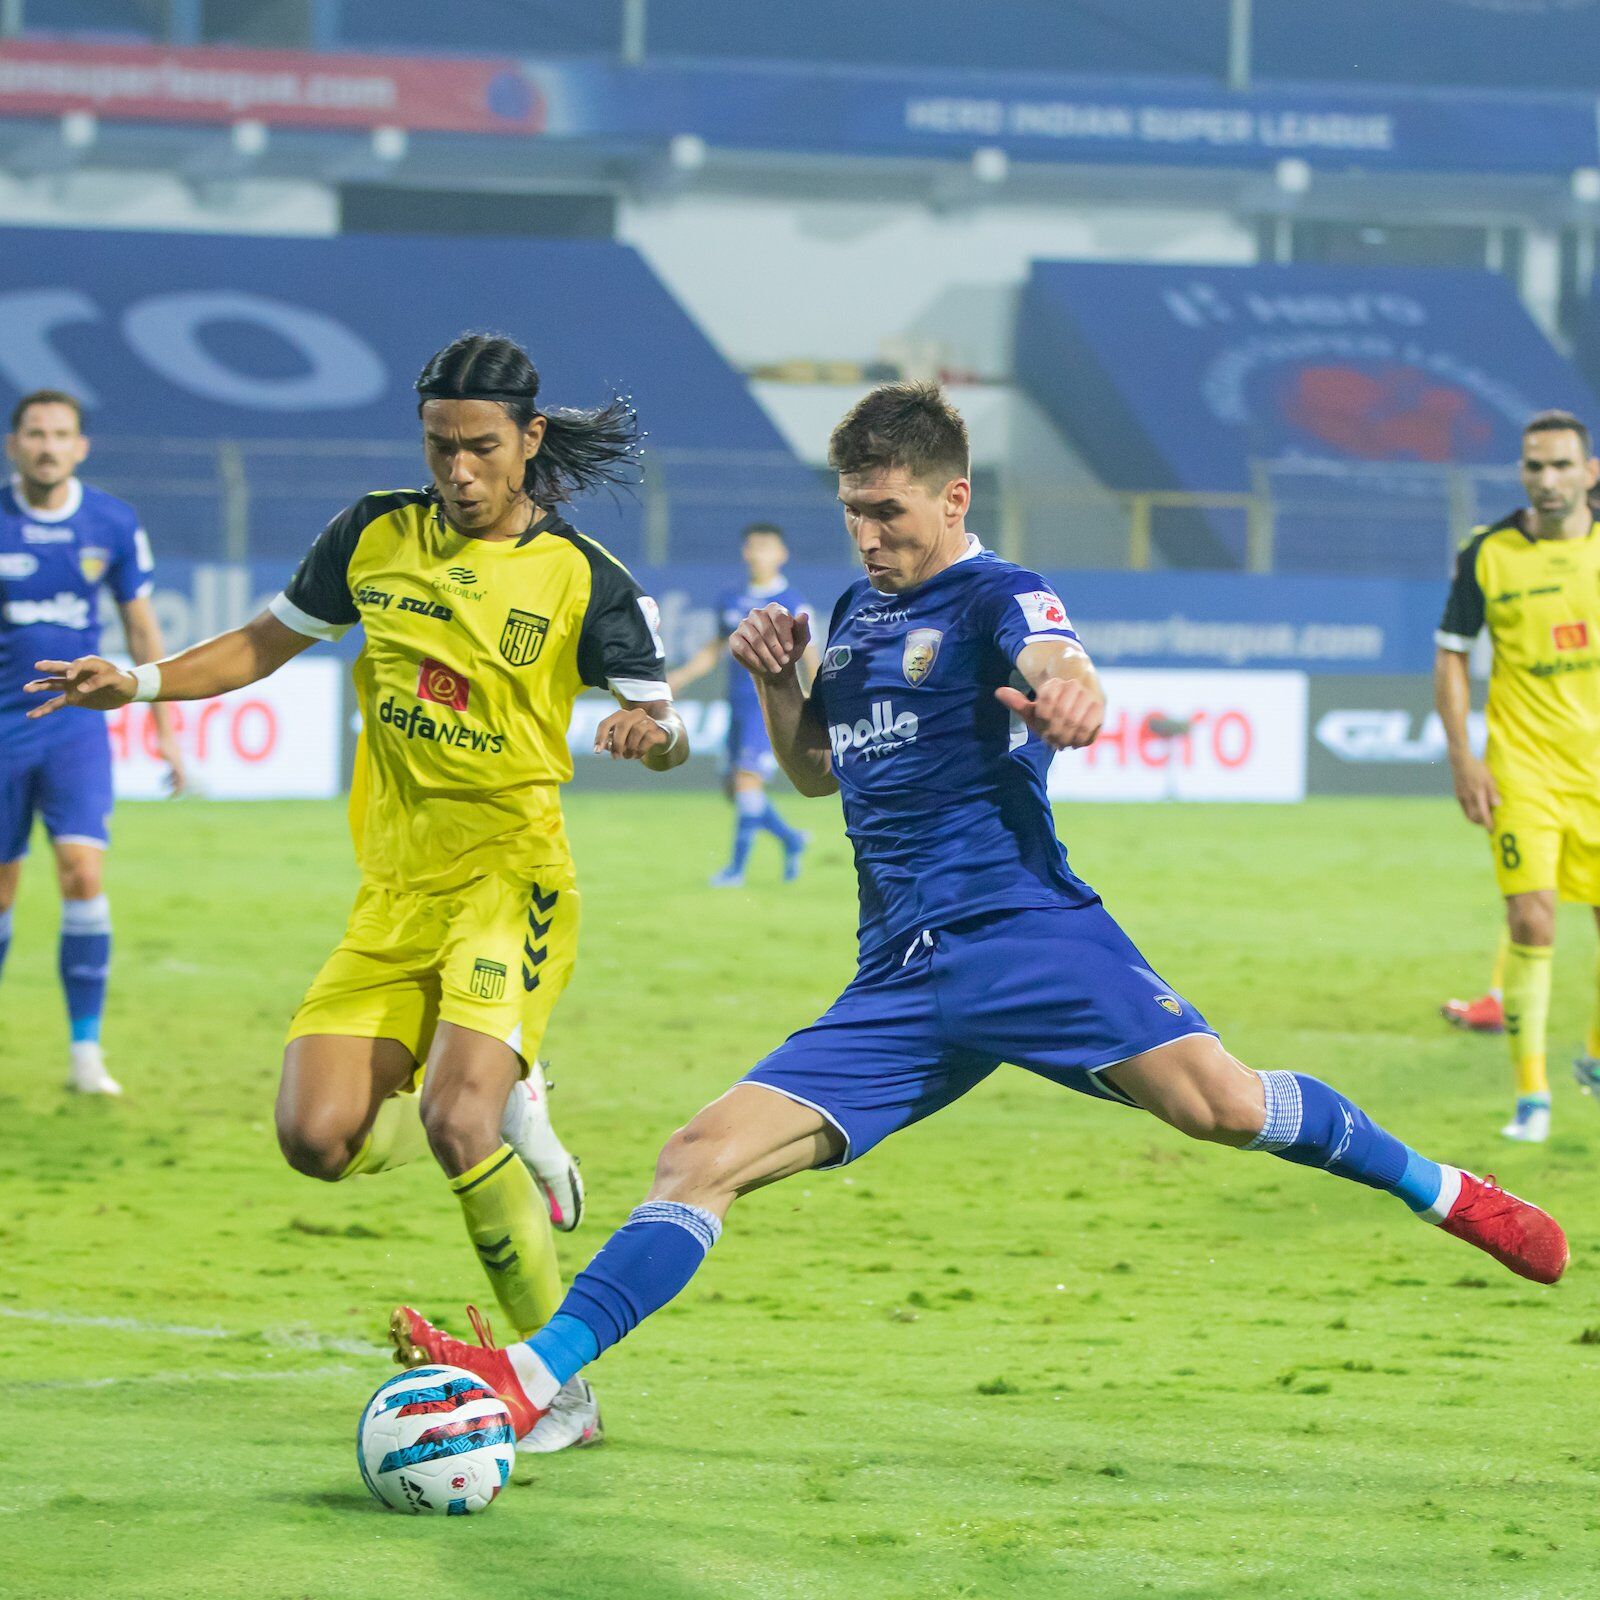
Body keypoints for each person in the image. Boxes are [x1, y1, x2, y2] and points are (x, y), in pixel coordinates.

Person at [389, 382, 1567, 1437]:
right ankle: (532, 1380)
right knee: (696, 1156)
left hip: (1024, 938)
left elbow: (1061, 665)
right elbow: (817, 773)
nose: (867, 535)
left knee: (1222, 1106)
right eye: (852, 512)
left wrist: (1072, 699)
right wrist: (779, 682)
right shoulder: (855, 613)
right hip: (898, 979)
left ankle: (1444, 1189)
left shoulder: (1002, 593)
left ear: (953, 497)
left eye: (888, 511)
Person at [26, 333, 689, 1451]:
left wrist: (649, 733)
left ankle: (557, 1391)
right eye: (440, 447)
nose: (459, 472)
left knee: (453, 1115)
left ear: (530, 439)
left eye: (482, 449)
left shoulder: (585, 579)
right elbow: (261, 644)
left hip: (510, 880)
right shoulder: (373, 535)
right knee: (316, 1137)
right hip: (393, 894)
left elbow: (667, 730)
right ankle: (509, 1099)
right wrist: (134, 682)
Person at [0, 389, 184, 1094]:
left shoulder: (112, 522)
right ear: (14, 445)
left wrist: (165, 730)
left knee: (82, 873)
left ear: (80, 447)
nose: (47, 446)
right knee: (3, 891)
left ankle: (85, 1053)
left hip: (74, 729)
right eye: (35, 434)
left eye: (60, 434)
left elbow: (140, 629)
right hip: (3, 731)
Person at [1436, 412, 1600, 1143]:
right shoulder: (1488, 553)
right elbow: (1451, 653)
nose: (1548, 479)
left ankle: (1594, 1056)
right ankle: (1532, 1097)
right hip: (1524, 769)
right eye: (1535, 466)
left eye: (1562, 465)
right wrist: (1462, 756)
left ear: (1589, 472)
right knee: (1531, 919)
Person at [667, 523, 817, 885]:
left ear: (782, 554)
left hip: (769, 707)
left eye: (767, 547)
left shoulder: (791, 602)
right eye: (753, 547)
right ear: (744, 552)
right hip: (736, 705)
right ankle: (791, 839)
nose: (758, 555)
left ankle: (735, 871)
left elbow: (810, 655)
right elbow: (714, 649)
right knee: (734, 790)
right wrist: (681, 677)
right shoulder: (731, 599)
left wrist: (815, 698)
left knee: (747, 782)